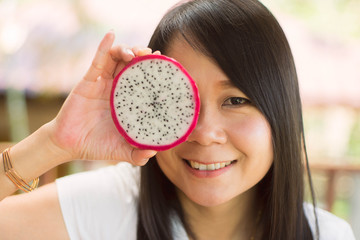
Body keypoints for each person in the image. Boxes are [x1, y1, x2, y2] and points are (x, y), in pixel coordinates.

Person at [0, 0, 356, 239]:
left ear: (281, 111)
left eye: (235, 100)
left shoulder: (330, 234)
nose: (204, 133)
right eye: (180, 102)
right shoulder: (101, 207)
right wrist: (55, 143)